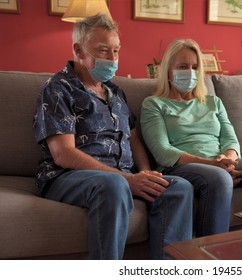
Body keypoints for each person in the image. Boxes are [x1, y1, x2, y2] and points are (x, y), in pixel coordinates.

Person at [33, 14, 193, 260]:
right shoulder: (57, 89)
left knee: (178, 188)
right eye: (103, 50)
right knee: (115, 185)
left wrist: (144, 173)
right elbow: (62, 154)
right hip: (67, 175)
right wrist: (126, 180)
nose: (113, 58)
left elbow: (133, 137)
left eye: (116, 50)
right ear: (78, 50)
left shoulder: (115, 92)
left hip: (120, 176)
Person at [141, 38, 242, 237]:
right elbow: (162, 151)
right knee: (218, 178)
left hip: (220, 163)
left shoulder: (213, 102)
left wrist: (229, 161)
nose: (190, 72)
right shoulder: (154, 104)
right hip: (182, 166)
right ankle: (212, 256)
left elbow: (230, 139)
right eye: (183, 66)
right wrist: (212, 164)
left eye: (195, 67)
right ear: (168, 70)